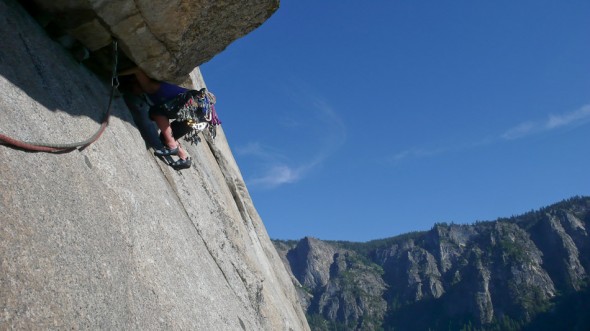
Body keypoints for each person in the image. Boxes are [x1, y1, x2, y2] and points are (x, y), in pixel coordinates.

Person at [119, 67, 192, 170]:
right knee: (165, 137)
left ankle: (173, 146)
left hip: (194, 108)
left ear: (138, 83)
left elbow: (137, 70)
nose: (132, 90)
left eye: (132, 87)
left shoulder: (151, 87)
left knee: (156, 112)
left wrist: (116, 73)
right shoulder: (158, 96)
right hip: (197, 117)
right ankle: (184, 158)